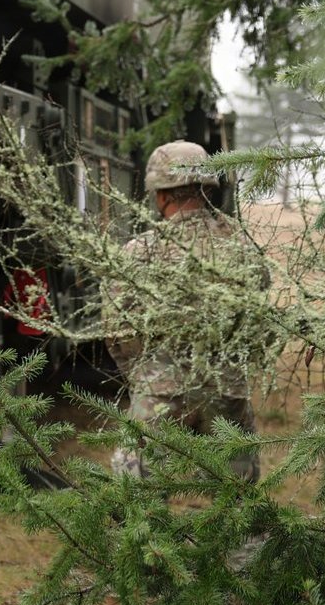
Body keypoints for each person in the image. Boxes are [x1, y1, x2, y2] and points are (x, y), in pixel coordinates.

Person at [106, 139, 263, 482]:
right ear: (207, 188)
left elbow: (117, 331)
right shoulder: (241, 245)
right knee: (237, 501)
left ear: (161, 195)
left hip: (160, 394)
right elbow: (259, 315)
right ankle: (241, 537)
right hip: (227, 389)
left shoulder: (139, 252)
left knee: (136, 499)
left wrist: (148, 377)